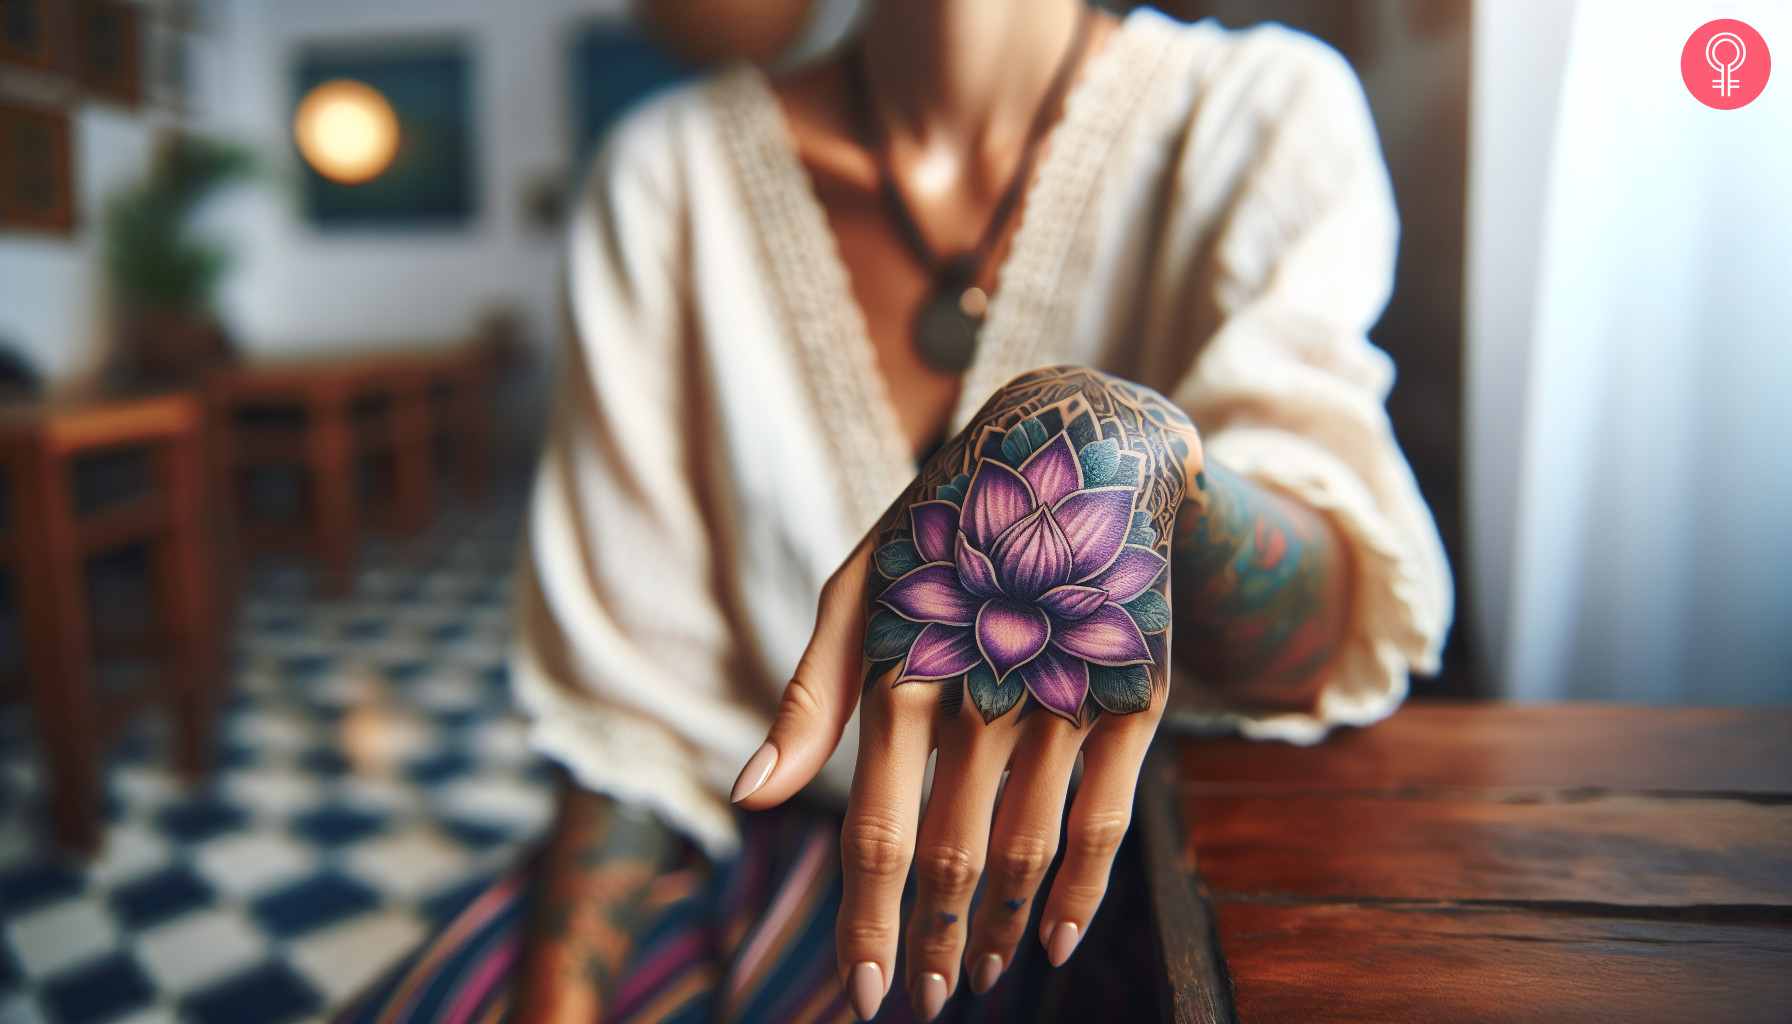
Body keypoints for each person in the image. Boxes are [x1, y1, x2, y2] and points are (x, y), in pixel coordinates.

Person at [338, 2, 1450, 1022]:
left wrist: (1133, 455)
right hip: (769, 858)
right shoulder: (663, 178)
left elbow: (1317, 636)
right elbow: (632, 706)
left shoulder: (1255, 116)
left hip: (1123, 876)